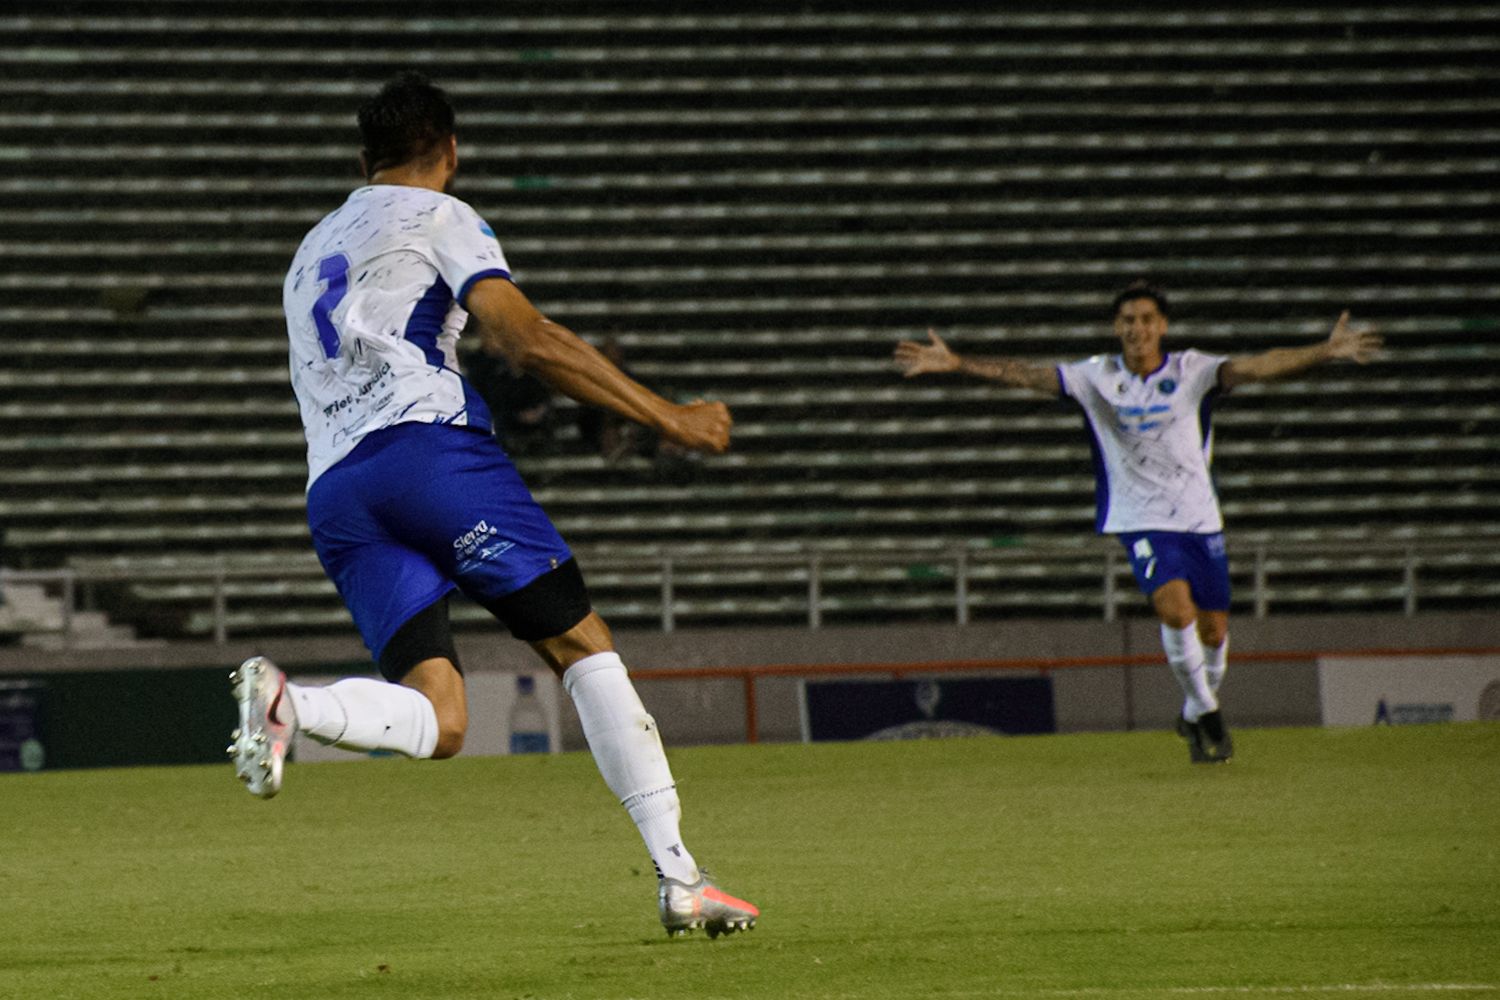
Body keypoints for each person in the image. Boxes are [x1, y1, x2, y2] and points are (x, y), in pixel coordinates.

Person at [232, 71, 757, 938]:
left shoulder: (309, 249)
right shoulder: (441, 215)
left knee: (442, 720)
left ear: (364, 159)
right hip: (428, 456)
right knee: (581, 643)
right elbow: (522, 338)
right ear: (450, 149)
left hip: (336, 492)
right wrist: (671, 417)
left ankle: (293, 704)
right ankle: (680, 876)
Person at [893, 281, 1381, 763]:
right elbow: (1026, 375)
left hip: (1198, 517)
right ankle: (1209, 715)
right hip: (1140, 517)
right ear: (1116, 326)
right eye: (1128, 320)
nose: (1137, 328)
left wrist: (1326, 351)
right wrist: (958, 363)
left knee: (1213, 631)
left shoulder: (1194, 371)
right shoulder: (1095, 377)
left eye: (1147, 319)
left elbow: (1260, 366)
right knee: (1175, 610)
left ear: (1162, 326)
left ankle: (1193, 709)